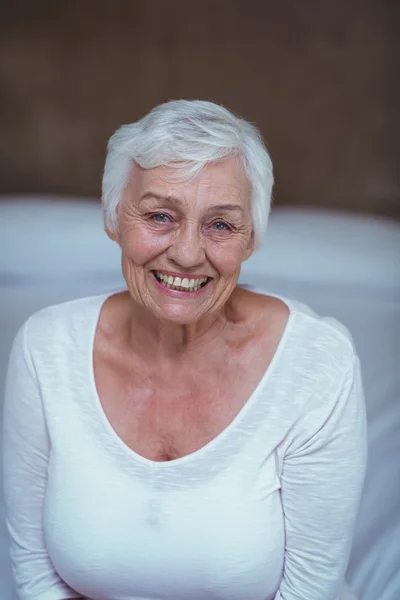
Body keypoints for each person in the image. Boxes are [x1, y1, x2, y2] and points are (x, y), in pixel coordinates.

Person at [3, 100, 367, 600]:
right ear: (114, 220)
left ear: (252, 239)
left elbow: (312, 590)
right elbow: (34, 572)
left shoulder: (316, 362)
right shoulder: (45, 349)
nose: (189, 254)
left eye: (220, 225)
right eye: (159, 215)